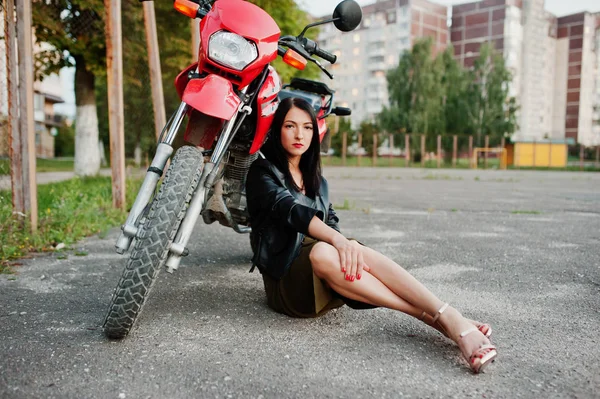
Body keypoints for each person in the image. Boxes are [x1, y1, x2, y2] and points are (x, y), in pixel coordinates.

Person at [245, 97, 497, 373]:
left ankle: (448, 317)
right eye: (290, 126)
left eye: (307, 127)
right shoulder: (262, 172)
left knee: (345, 249)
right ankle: (446, 320)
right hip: (289, 284)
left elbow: (331, 220)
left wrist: (343, 242)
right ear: (276, 129)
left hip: (330, 276)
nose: (299, 135)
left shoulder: (317, 179)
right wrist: (339, 241)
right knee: (328, 249)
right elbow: (290, 210)